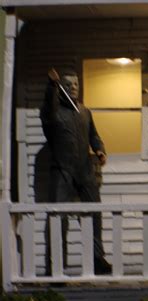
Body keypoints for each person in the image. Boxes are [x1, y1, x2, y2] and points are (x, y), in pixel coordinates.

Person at [40, 68, 112, 275]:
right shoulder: (53, 113)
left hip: (85, 171)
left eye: (76, 84)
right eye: (68, 85)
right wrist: (51, 86)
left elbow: (94, 136)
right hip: (62, 171)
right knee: (58, 219)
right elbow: (47, 109)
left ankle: (97, 260)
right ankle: (56, 267)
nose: (73, 88)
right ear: (61, 88)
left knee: (94, 215)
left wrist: (100, 149)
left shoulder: (85, 112)